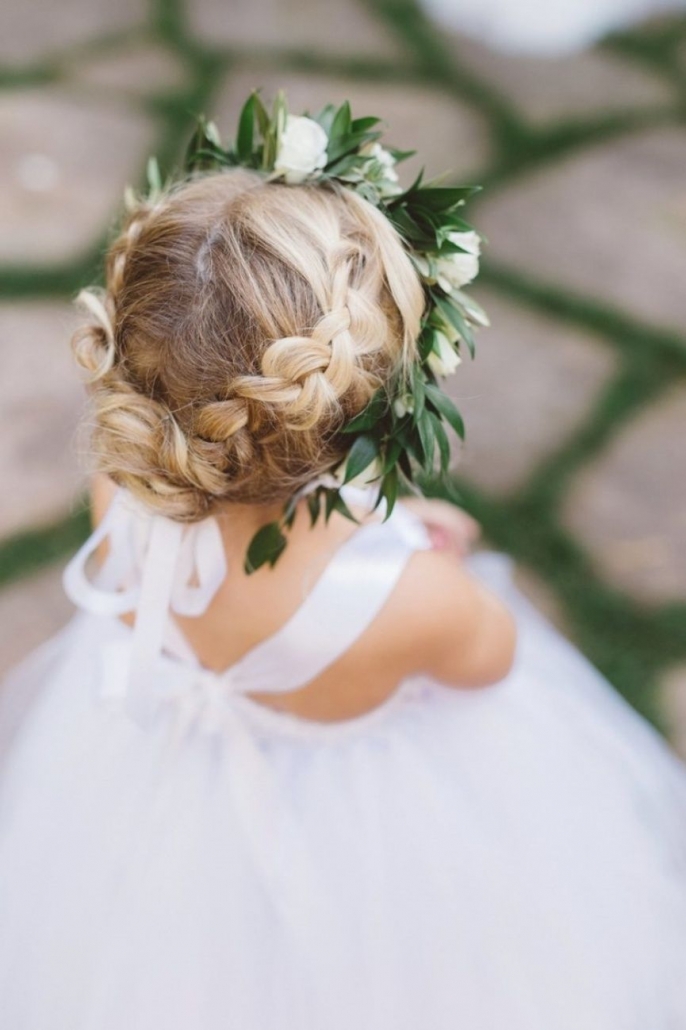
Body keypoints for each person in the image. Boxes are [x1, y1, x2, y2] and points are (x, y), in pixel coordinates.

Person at [0, 97, 684, 1030]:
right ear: (364, 411)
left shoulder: (117, 501)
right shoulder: (418, 599)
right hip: (381, 841)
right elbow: (490, 664)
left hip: (159, 797)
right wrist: (441, 545)